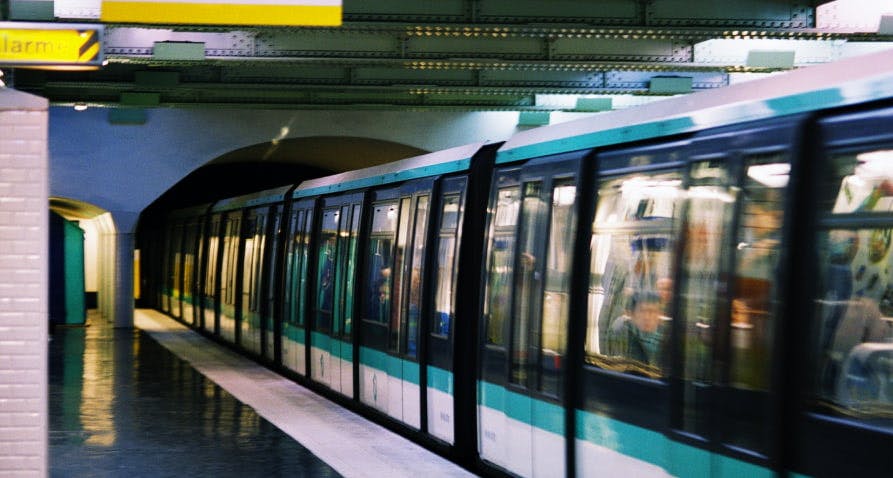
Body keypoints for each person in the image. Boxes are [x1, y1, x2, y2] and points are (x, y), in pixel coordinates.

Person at [607, 291, 670, 368]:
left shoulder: (665, 337)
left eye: (652, 311)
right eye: (642, 311)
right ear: (631, 314)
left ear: (659, 314)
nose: (647, 317)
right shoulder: (623, 334)